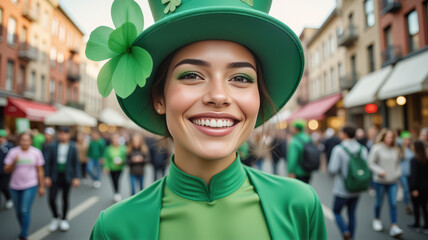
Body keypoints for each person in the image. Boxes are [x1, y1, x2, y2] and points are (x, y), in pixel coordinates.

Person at [87, 1, 326, 239]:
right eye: (191, 75)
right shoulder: (114, 229)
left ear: (259, 98)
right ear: (159, 98)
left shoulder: (301, 207)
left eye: (241, 78)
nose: (219, 96)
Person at [328, 125, 368, 240]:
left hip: (342, 188)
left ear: (345, 134)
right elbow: (366, 166)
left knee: (336, 212)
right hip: (357, 187)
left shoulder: (339, 149)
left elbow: (333, 169)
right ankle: (352, 236)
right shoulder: (362, 148)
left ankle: (345, 231)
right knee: (352, 214)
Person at [4, 133, 45, 240]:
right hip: (15, 186)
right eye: (22, 140)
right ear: (19, 141)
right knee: (18, 212)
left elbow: (40, 170)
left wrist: (41, 186)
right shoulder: (13, 152)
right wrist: (14, 162)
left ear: (31, 141)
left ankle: (23, 234)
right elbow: (6, 169)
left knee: (24, 210)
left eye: (27, 140)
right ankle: (23, 227)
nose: (25, 143)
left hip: (30, 185)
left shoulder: (36, 152)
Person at [44, 127, 81, 232]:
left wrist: (76, 177)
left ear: (69, 135)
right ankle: (55, 217)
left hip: (67, 176)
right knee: (51, 198)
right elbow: (48, 162)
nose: (62, 136)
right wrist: (46, 176)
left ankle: (64, 219)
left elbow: (76, 163)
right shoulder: (52, 146)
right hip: (54, 176)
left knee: (65, 198)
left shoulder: (73, 147)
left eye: (65, 134)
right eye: (61, 134)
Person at [368, 129, 403, 237]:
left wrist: (397, 174)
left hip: (392, 181)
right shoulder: (376, 148)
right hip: (380, 181)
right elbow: (370, 163)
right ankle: (377, 219)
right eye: (388, 137)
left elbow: (397, 165)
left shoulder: (395, 149)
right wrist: (380, 171)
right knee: (379, 202)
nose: (390, 140)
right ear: (383, 137)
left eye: (392, 138)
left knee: (393, 203)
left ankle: (394, 226)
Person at [408, 140, 428, 234]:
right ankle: (426, 225)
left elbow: (414, 175)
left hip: (417, 187)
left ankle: (417, 223)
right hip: (425, 187)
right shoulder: (425, 159)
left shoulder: (414, 159)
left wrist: (413, 188)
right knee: (424, 207)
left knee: (416, 207)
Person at [103, 134, 126, 202]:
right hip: (111, 167)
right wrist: (106, 167)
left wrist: (122, 161)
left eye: (116, 140)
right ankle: (116, 192)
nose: (115, 142)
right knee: (113, 181)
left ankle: (117, 193)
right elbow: (106, 159)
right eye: (114, 140)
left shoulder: (123, 148)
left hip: (119, 167)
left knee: (117, 179)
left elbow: (126, 157)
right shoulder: (108, 149)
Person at [399, 131, 414, 215]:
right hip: (403, 173)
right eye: (406, 139)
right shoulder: (400, 149)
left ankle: (412, 205)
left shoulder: (412, 148)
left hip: (411, 173)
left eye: (408, 139)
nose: (407, 141)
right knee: (406, 189)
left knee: (412, 190)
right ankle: (406, 205)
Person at [0, 129, 14, 209]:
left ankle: (9, 199)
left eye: (1, 137)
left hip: (6, 171)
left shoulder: (9, 147)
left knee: (4, 186)